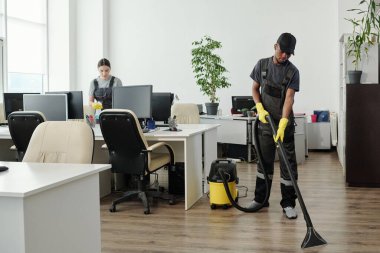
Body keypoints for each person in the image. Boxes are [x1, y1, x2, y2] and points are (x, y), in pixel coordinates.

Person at [247, 33, 300, 219]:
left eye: (289, 53)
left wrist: (284, 123)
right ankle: (261, 200)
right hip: (265, 124)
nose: (285, 55)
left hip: (283, 126)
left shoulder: (293, 72)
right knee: (264, 163)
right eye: (283, 51)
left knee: (288, 167)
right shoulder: (262, 65)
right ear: (275, 46)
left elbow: (289, 98)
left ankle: (288, 204)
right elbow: (254, 88)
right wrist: (259, 107)